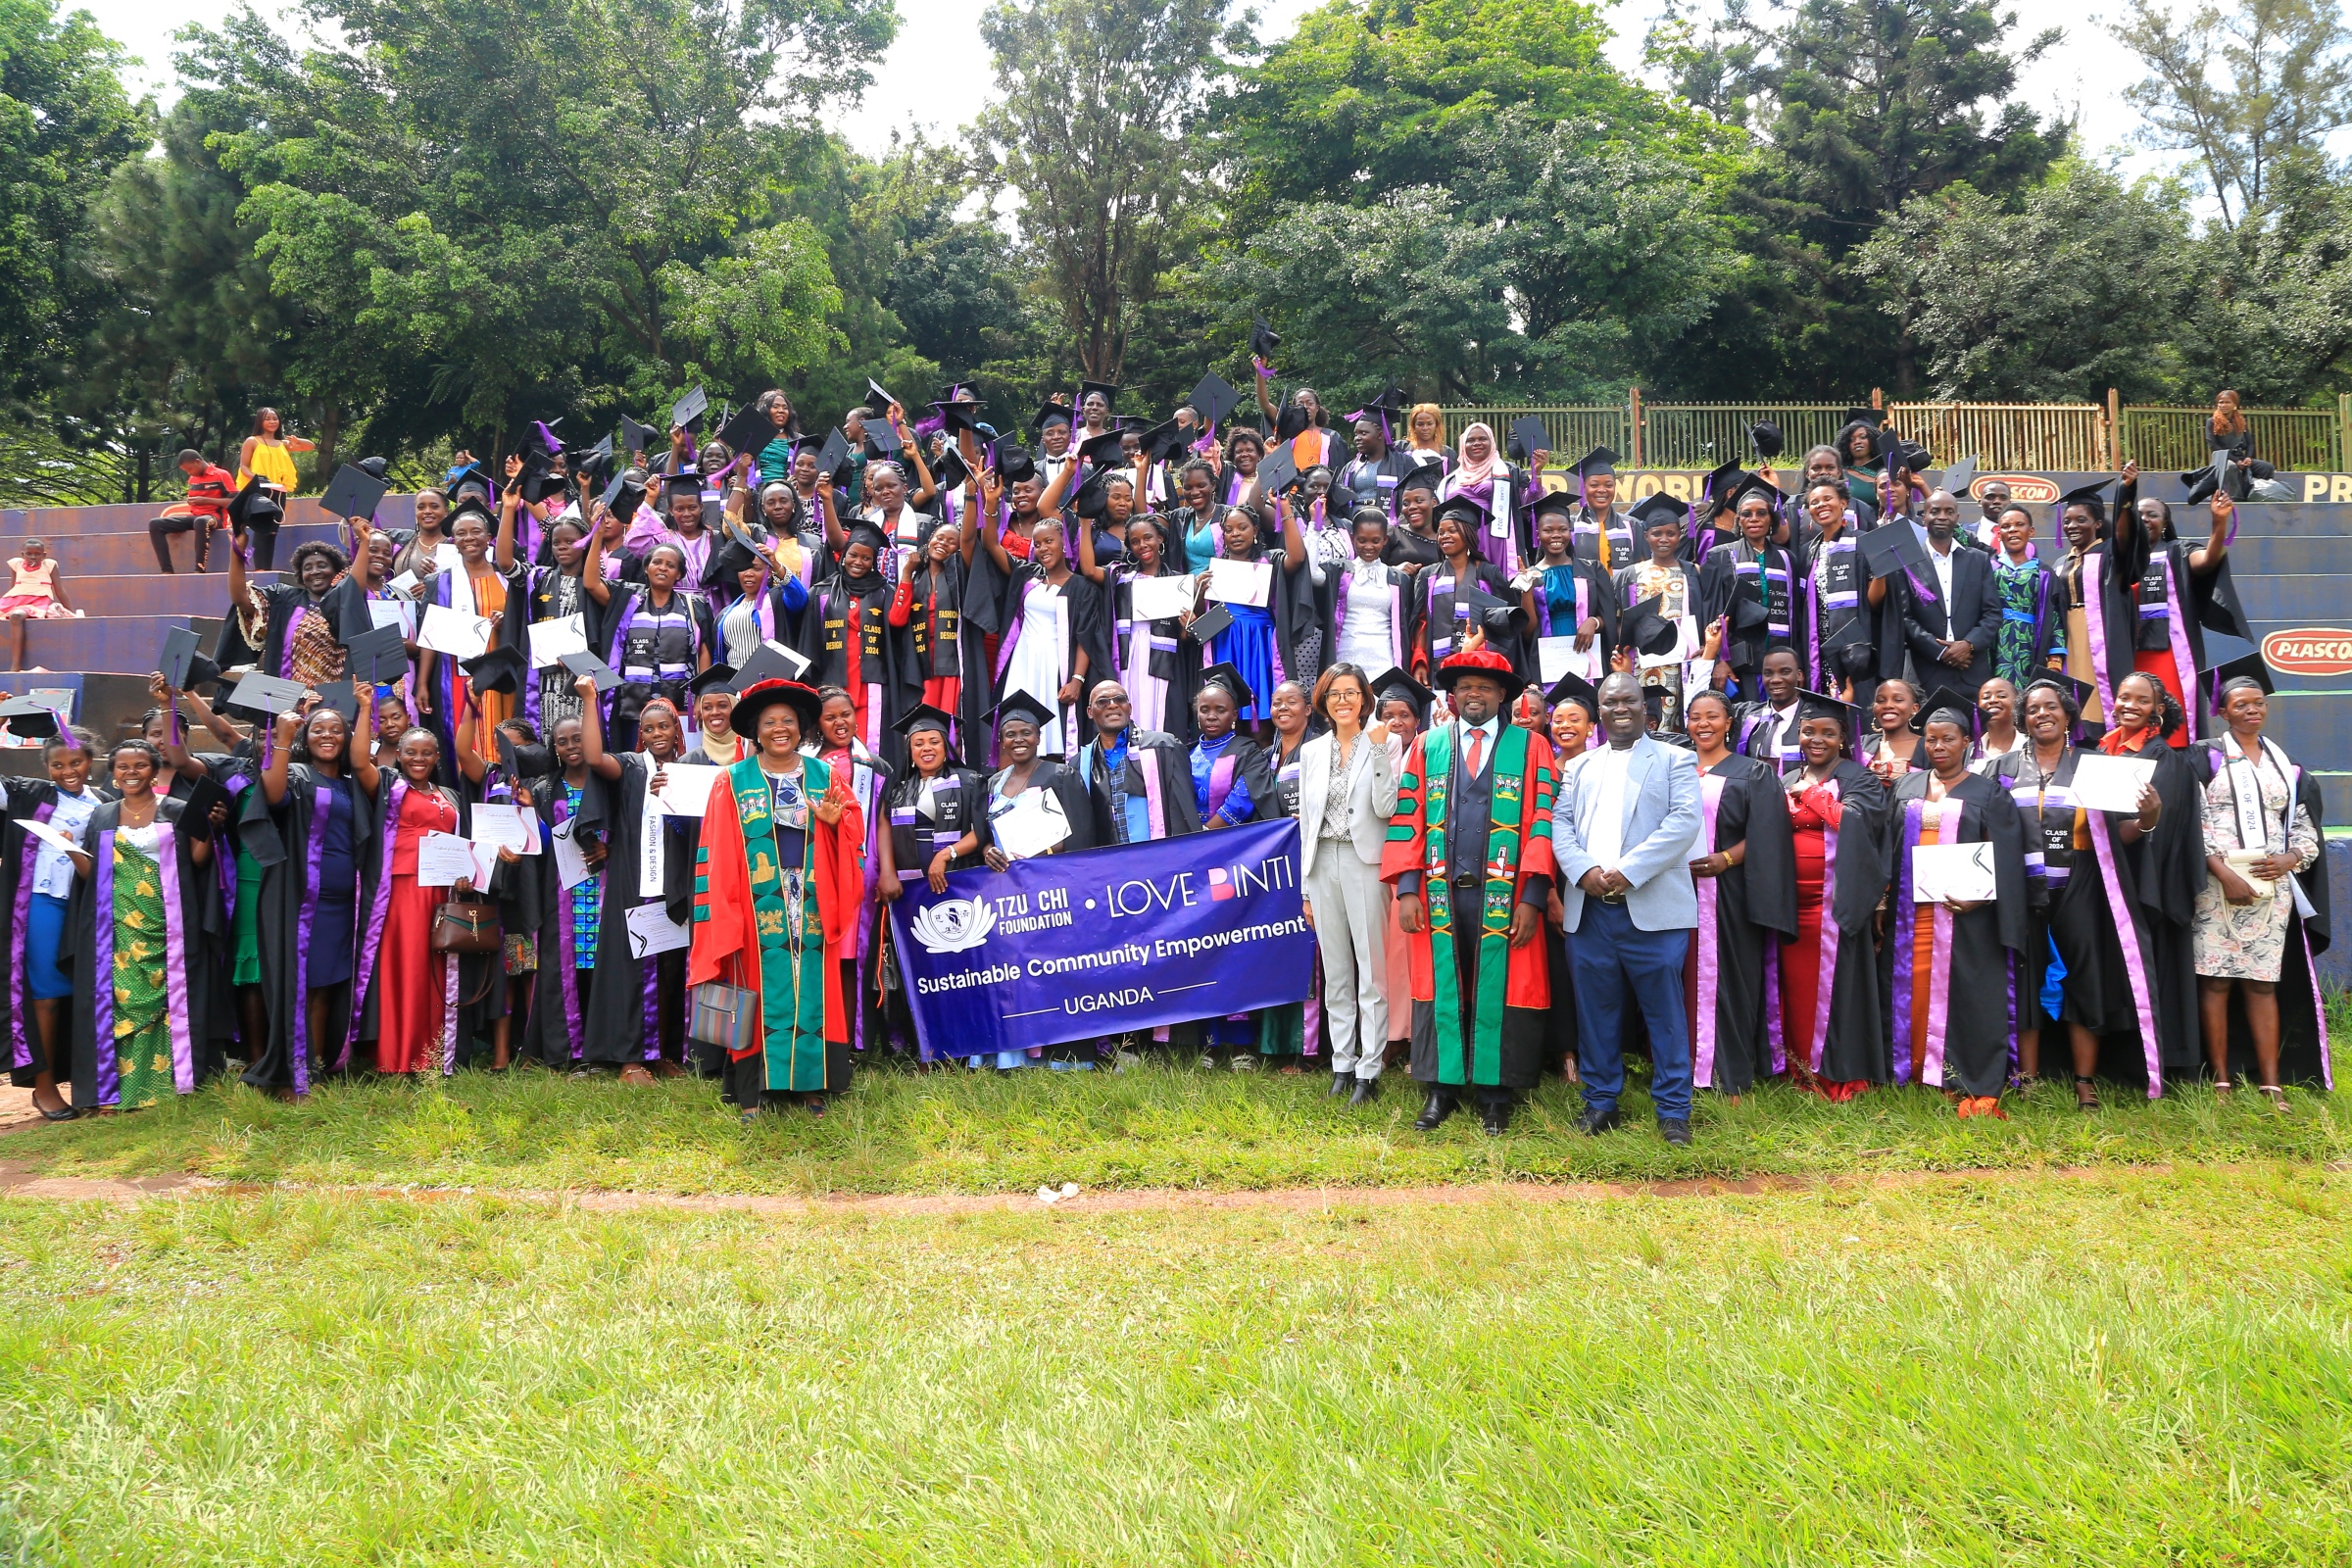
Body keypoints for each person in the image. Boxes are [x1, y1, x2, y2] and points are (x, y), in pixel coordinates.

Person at [1383, 644, 1557, 1135]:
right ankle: (1441, 1090)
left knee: (1497, 987)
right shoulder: (1428, 745)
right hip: (1439, 890)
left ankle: (1495, 1094)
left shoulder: (1531, 747)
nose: (1472, 695)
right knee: (1443, 985)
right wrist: (1409, 887)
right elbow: (1408, 819)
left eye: (1483, 687)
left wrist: (1531, 896)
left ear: (1502, 695)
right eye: (1464, 688)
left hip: (1505, 892)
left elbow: (1543, 822)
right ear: (1452, 695)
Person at [1986, 676, 2171, 1105]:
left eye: (2050, 706)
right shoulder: (2003, 769)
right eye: (2032, 709)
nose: (2041, 714)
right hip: (2022, 890)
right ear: (2023, 719)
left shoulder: (2095, 764)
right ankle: (2027, 1079)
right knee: (2025, 981)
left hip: (2081, 885)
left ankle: (2084, 1080)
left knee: (2084, 981)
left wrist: (2148, 819)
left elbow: (2118, 834)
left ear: (2068, 715)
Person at [690, 674, 865, 1118]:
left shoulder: (825, 775)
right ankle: (753, 1091)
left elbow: (853, 834)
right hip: (752, 902)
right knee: (757, 986)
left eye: (788, 720)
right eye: (770, 722)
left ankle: (811, 1085)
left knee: (812, 987)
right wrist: (725, 909)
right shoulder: (731, 781)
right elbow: (715, 849)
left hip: (811, 899)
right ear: (756, 729)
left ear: (802, 727)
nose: (779, 728)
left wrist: (831, 824)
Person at [1551, 669, 1700, 1142]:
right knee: (1595, 1010)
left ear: (1644, 707)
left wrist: (1626, 871)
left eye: (1629, 701)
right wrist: (1585, 872)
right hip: (1590, 910)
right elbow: (1560, 824)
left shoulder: (1676, 759)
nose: (1620, 709)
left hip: (1651, 908)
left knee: (1664, 1012)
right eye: (1611, 702)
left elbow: (1683, 824)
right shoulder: (1579, 767)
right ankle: (1600, 1102)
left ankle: (1674, 1109)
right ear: (1600, 711)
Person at [1885, 699, 2030, 1115]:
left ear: (1967, 741)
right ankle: (1911, 1068)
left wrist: (1982, 896)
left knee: (1966, 993)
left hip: (1966, 915)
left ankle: (1960, 1073)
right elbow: (1887, 850)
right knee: (1910, 985)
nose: (1938, 746)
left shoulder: (1988, 793)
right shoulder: (1906, 787)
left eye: (1948, 739)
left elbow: (2005, 856)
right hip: (1911, 915)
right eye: (1930, 739)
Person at [2189, 676, 2327, 1102]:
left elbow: (2306, 829)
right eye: (2242, 704)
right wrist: (2222, 871)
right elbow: (2194, 821)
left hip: (2270, 890)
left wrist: (2291, 859)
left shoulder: (2287, 766)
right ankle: (2221, 1081)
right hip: (2216, 888)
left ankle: (2271, 1082)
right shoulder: (2205, 758)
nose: (2253, 710)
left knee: (2262, 983)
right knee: (2215, 982)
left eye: (2259, 704)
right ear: (2223, 711)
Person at [250, 701, 374, 1100]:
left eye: (335, 729)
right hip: (303, 904)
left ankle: (315, 1069)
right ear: (306, 736)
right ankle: (294, 1074)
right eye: (318, 729)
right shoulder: (299, 776)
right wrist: (282, 743)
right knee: (302, 986)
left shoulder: (350, 783)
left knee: (327, 987)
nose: (327, 735)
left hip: (343, 905)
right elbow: (271, 798)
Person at [1291, 662, 1399, 1102]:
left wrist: (1375, 753)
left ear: (1364, 699)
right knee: (1335, 971)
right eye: (1334, 693)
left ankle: (1369, 1071)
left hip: (1365, 862)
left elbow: (1387, 807)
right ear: (1323, 699)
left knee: (1371, 971)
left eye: (1351, 693)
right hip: (1322, 864)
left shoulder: (1386, 742)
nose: (1342, 700)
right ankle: (1342, 1063)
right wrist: (1304, 888)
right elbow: (1306, 824)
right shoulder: (1312, 751)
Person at [1682, 689, 1797, 1098]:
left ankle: (1728, 1073)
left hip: (1728, 893)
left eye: (1712, 716)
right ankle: (1682, 1072)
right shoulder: (1674, 768)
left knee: (1728, 978)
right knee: (1677, 979)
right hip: (1676, 893)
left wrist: (1726, 859)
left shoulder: (1752, 772)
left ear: (1729, 722)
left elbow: (1768, 832)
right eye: (1695, 716)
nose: (1703, 724)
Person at [577, 681, 695, 1082]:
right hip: (633, 880)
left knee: (668, 967)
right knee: (632, 966)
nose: (657, 734)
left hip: (674, 884)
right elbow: (594, 758)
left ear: (676, 729)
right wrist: (590, 700)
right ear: (640, 734)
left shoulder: (690, 770)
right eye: (649, 729)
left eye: (664, 727)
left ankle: (661, 1051)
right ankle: (631, 1057)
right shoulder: (630, 765)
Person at [1778, 690, 1891, 1099]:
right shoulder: (1787, 778)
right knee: (1794, 986)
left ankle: (1833, 1072)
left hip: (1835, 903)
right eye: (1808, 731)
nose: (1816, 739)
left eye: (1827, 732)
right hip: (1792, 905)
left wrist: (1812, 797)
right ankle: (1798, 1067)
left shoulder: (1857, 778)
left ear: (1842, 736)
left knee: (1834, 987)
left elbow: (1863, 826)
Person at [345, 724, 471, 1074]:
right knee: (406, 966)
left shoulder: (447, 793)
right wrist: (366, 709)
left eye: (427, 752)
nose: (419, 758)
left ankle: (432, 1051)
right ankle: (397, 1055)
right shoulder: (389, 785)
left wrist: (465, 875)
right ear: (398, 755)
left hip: (441, 890)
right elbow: (358, 763)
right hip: (403, 888)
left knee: (435, 968)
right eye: (411, 752)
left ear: (436, 757)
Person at [874, 704, 985, 1060]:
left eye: (933, 741)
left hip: (953, 886)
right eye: (918, 742)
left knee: (957, 965)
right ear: (909, 749)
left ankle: (964, 1044)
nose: (926, 748)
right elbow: (884, 828)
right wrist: (887, 873)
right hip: (910, 893)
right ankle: (922, 1045)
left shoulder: (968, 781)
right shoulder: (898, 786)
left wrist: (946, 854)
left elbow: (979, 832)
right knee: (918, 969)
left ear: (945, 745)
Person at [8, 729, 108, 1119]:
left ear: (91, 760)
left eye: (76, 762)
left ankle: (93, 1084)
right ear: (46, 767)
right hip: (43, 903)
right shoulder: (31, 795)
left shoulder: (105, 803)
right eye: (58, 765)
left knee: (84, 994)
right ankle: (44, 1087)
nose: (68, 771)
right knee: (47, 996)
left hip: (85, 909)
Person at [972, 508, 1111, 760]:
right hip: (1022, 661)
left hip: (1055, 664)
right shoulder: (1025, 575)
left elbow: (1086, 636)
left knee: (1051, 733)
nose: (1043, 548)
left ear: (1064, 543)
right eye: (1038, 544)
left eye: (1049, 541)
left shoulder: (1082, 587)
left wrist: (1077, 680)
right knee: (1012, 723)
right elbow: (991, 543)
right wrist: (991, 506)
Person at [1193, 503, 1314, 734]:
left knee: (1264, 705)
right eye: (1228, 530)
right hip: (1225, 640)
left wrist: (1286, 510)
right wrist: (1200, 591)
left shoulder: (1269, 562)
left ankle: (1265, 751)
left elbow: (1297, 558)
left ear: (1256, 530)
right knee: (1227, 704)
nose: (1235, 534)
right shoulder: (1215, 570)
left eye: (1242, 527)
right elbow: (1202, 615)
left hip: (1260, 641)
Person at [1891, 489, 2001, 694]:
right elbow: (1904, 618)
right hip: (1925, 672)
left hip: (1971, 670)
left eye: (1949, 511)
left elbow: (1992, 613)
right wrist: (1940, 651)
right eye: (1935, 511)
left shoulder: (1978, 560)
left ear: (1957, 518)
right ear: (1924, 517)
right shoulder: (1907, 562)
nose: (1942, 516)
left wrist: (1968, 644)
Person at [1702, 482, 1799, 700]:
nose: (1754, 518)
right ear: (1739, 520)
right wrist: (1720, 661)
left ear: (1771, 519)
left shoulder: (1787, 558)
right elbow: (1712, 614)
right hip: (1739, 663)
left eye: (1761, 513)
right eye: (1747, 514)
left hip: (1780, 659)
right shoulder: (1720, 556)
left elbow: (1797, 614)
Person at [1415, 495, 1521, 686]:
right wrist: (1419, 661)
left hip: (1480, 667)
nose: (1444, 536)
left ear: (1469, 533)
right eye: (1440, 532)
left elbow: (1505, 628)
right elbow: (1421, 622)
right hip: (1438, 668)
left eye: (1452, 531)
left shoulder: (1488, 574)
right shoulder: (1428, 576)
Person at [1516, 494, 1614, 688]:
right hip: (1548, 658)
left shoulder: (1592, 569)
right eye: (1548, 530)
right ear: (1537, 534)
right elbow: (1528, 633)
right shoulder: (1531, 575)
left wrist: (1593, 622)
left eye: (1562, 529)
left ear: (1571, 532)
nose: (1556, 535)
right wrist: (1525, 589)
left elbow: (1609, 616)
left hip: (1588, 656)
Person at [1986, 503, 2061, 688]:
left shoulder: (2043, 573)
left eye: (2020, 525)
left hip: (2030, 643)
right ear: (1999, 534)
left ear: (2031, 531)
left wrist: (2055, 657)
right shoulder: (1989, 568)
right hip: (1995, 642)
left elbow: (2055, 617)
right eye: (2006, 526)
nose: (2013, 530)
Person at [234, 408, 312, 568]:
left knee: (272, 531)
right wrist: (256, 479)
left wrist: (297, 441)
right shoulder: (252, 441)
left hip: (278, 492)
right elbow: (243, 466)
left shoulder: (282, 444)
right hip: (259, 491)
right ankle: (260, 569)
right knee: (261, 529)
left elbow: (310, 446)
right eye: (268, 418)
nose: (272, 422)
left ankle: (267, 569)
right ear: (260, 422)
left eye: (275, 418)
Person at [150, 451, 238, 572]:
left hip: (215, 517)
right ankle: (166, 570)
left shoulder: (222, 475)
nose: (189, 473)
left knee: (201, 522)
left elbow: (234, 501)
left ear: (198, 462)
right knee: (155, 524)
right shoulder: (193, 479)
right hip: (195, 516)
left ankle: (199, 569)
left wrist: (205, 500)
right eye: (186, 471)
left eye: (190, 469)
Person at [2182, 389, 2277, 504]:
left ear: (2235, 405)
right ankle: (2235, 498)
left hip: (2240, 458)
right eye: (2221, 402)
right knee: (2231, 467)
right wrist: (2236, 461)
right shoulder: (2211, 422)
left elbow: (2250, 443)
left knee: (2267, 467)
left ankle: (2258, 494)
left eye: (2227, 402)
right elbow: (2214, 446)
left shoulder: (2241, 421)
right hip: (2222, 459)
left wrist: (2248, 458)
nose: (2223, 405)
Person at [1971, 676, 2023, 768]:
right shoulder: (1970, 751)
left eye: (2002, 696)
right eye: (1986, 697)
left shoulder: (2029, 747)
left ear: (2017, 702)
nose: (1992, 700)